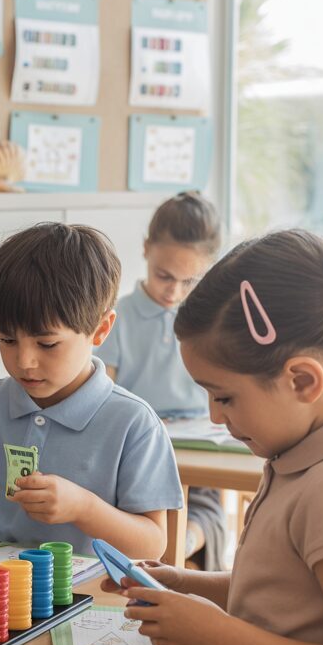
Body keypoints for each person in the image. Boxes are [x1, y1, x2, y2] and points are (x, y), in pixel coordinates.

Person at [106, 230, 323, 645]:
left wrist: (221, 636)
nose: (213, 414)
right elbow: (282, 598)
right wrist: (184, 584)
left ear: (303, 382)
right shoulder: (295, 456)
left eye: (224, 396)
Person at [0, 223, 184, 557]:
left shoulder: (133, 423)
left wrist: (84, 508)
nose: (25, 361)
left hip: (75, 598)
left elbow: (153, 544)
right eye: (7, 339)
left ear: (101, 330)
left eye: (47, 344)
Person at [96, 191, 227, 570]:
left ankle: (183, 543)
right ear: (146, 250)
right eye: (164, 276)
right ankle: (169, 550)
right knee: (133, 505)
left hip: (201, 441)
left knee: (205, 508)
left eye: (190, 281)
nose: (174, 291)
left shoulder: (210, 321)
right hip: (139, 440)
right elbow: (105, 396)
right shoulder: (119, 316)